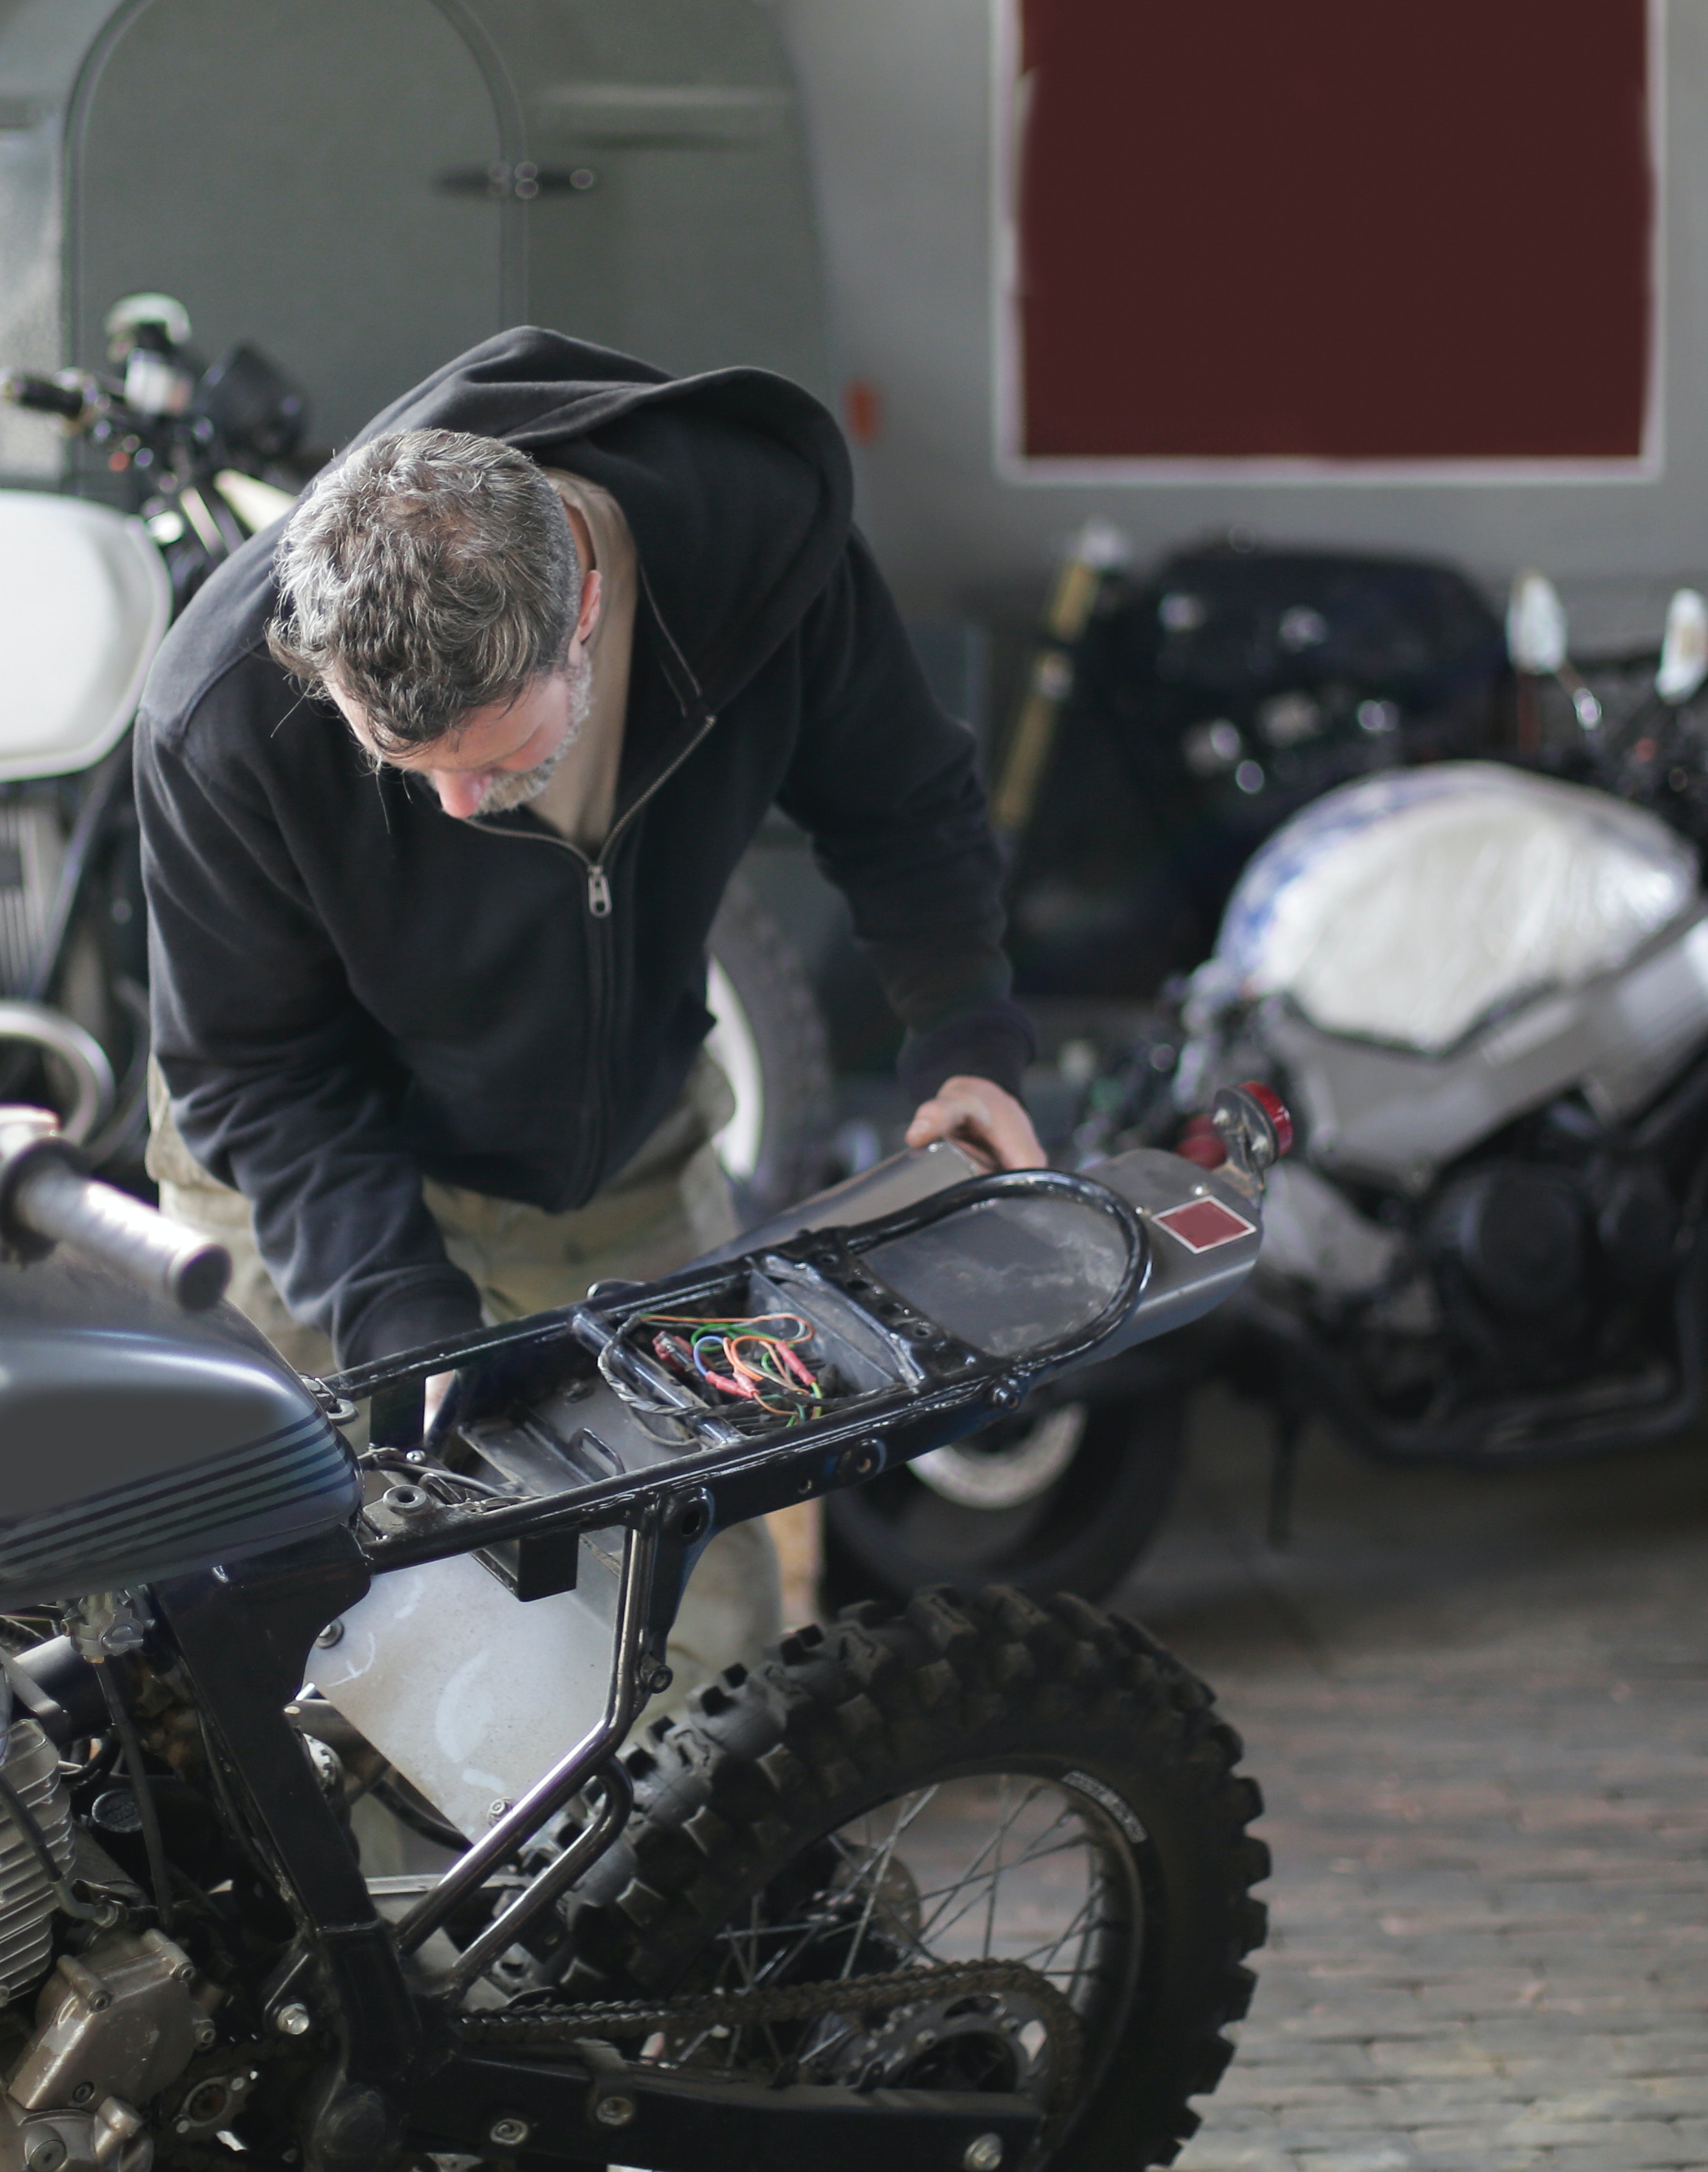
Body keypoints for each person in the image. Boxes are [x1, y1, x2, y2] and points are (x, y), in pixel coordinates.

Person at [135, 327, 1040, 1667]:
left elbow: (904, 805)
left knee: (692, 1650)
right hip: (300, 1190)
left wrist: (966, 1041)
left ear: (588, 612)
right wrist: (402, 1323)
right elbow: (259, 1069)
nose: (455, 807)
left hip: (617, 1165)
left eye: (496, 761)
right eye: (403, 767)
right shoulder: (218, 712)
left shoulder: (760, 558)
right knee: (298, 1648)